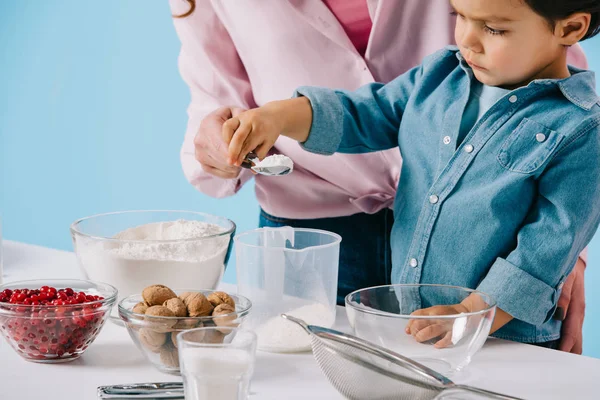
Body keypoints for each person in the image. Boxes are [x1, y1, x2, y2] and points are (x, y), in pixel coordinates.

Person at [169, 0, 588, 352]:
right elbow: (364, 112)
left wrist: (472, 313)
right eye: (458, 15)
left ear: (570, 27)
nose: (466, 40)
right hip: (412, 320)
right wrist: (277, 117)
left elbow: (548, 242)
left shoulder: (582, 128)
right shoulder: (440, 74)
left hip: (501, 335)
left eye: (493, 29)